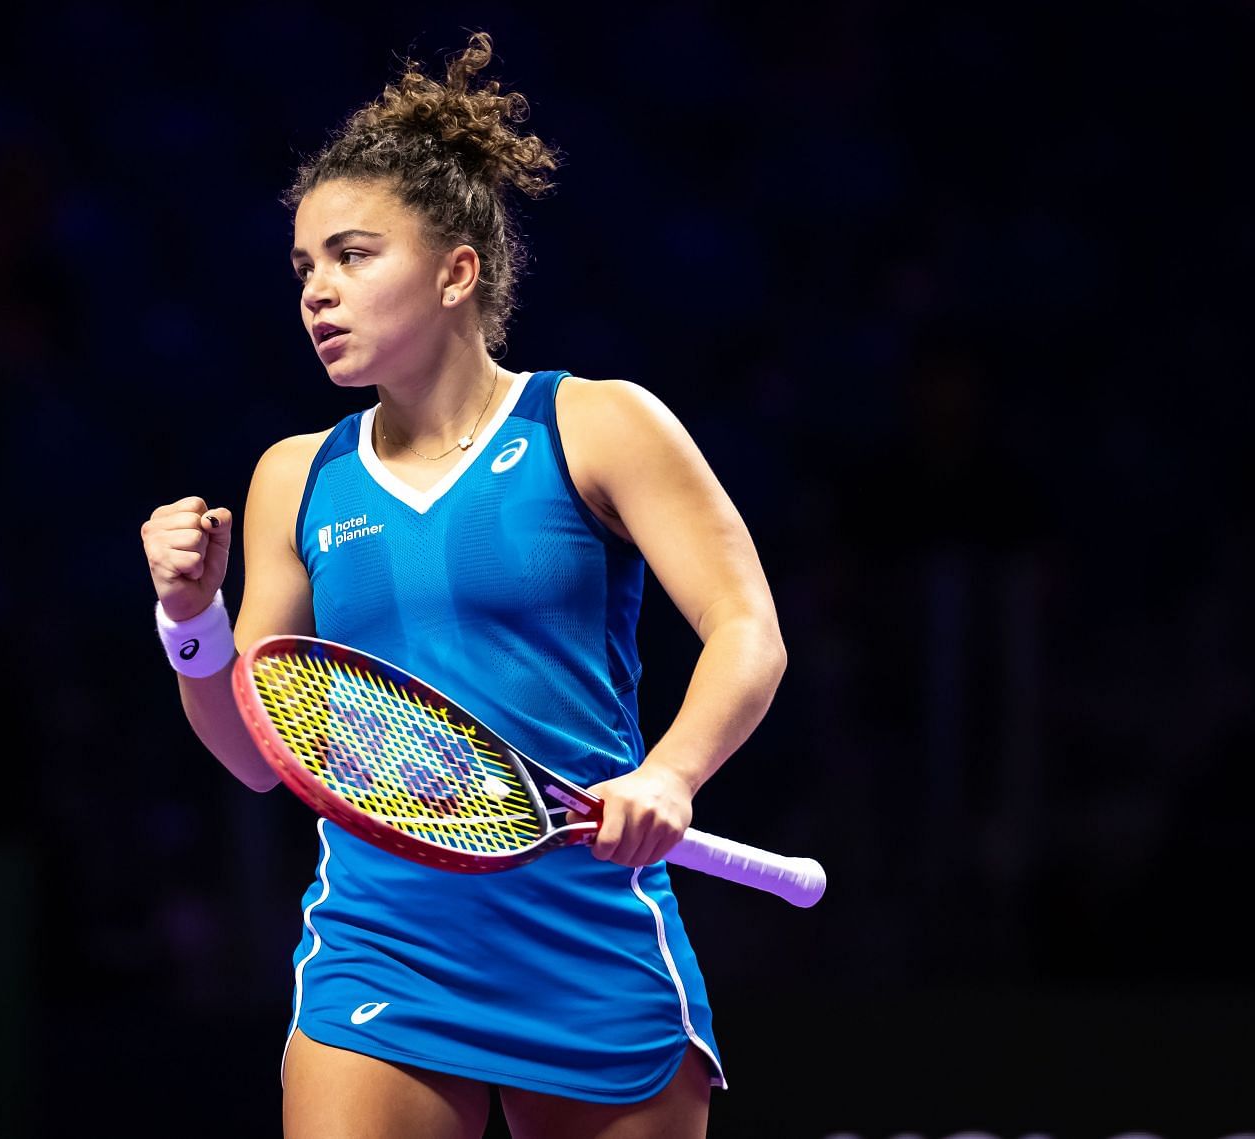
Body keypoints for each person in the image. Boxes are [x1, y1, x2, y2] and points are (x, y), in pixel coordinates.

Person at [140, 33, 786, 1139]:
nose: (318, 292)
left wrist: (671, 773)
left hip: (590, 938)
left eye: (351, 256)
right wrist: (189, 618)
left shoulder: (596, 424)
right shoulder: (294, 477)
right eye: (304, 268)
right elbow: (258, 751)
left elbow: (746, 630)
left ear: (456, 270)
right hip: (384, 946)